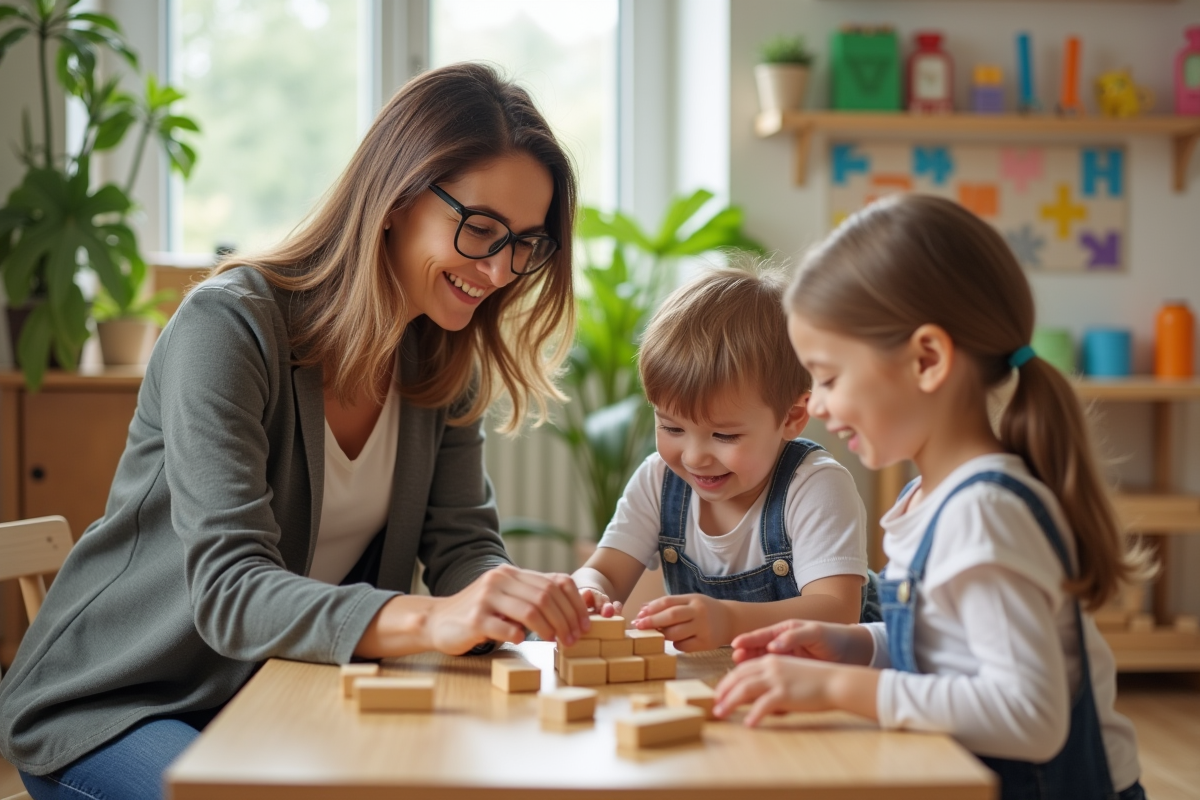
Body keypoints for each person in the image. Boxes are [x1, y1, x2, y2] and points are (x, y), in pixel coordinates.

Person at [0, 63, 593, 800]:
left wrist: (508, 602)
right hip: (117, 704)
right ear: (396, 200)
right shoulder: (229, 327)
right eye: (480, 230)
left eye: (525, 245)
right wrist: (434, 620)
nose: (501, 269)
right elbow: (231, 592)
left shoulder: (443, 356)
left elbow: (462, 546)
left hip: (276, 689)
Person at [713, 195, 1148, 800]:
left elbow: (1031, 717)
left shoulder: (983, 513)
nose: (814, 404)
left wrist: (842, 692)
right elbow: (950, 645)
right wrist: (853, 646)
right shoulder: (933, 497)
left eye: (830, 377)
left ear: (927, 360)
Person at [572, 266, 874, 652]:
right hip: (727, 679)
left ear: (792, 417)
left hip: (828, 676)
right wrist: (588, 592)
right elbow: (603, 571)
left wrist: (730, 620)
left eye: (724, 435)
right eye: (672, 428)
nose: (695, 457)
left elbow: (837, 612)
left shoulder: (816, 486)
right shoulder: (658, 480)